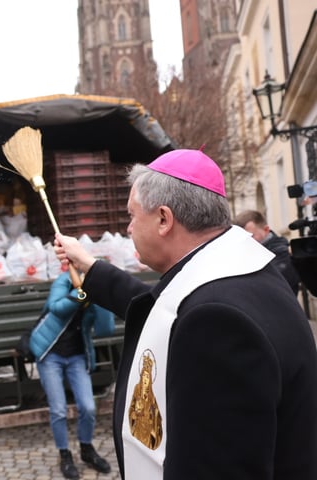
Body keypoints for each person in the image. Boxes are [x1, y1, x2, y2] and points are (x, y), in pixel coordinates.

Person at [53, 149, 317, 480]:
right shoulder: (241, 271)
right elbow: (167, 310)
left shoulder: (215, 322)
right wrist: (91, 269)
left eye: (132, 215)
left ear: (164, 219)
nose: (129, 227)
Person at [29, 269, 114, 479]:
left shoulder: (94, 293)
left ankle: (86, 449)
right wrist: (81, 293)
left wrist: (101, 299)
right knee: (58, 410)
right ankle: (65, 455)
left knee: (88, 407)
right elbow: (55, 307)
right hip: (50, 354)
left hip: (77, 356)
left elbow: (105, 329)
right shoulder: (63, 281)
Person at [234, 209, 300, 293]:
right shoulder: (248, 253)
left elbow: (269, 286)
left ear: (266, 229)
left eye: (251, 236)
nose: (247, 241)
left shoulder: (281, 253)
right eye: (243, 238)